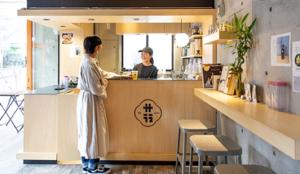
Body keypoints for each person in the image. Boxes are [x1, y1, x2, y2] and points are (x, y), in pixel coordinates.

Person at [77, 36, 111, 174]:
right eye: (100, 46)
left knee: (87, 130)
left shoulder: (89, 61)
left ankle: (86, 164)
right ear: (97, 47)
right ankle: (92, 167)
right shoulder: (89, 64)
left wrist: (116, 76)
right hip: (90, 100)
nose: (101, 48)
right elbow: (96, 88)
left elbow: (101, 73)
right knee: (92, 131)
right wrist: (105, 83)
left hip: (87, 100)